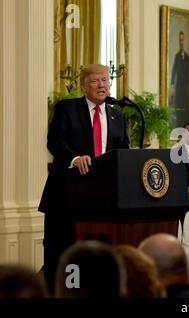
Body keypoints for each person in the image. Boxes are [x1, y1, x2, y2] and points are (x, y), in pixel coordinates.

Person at [38, 64, 129, 293]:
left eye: (105, 80)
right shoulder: (67, 109)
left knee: (96, 254)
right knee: (62, 252)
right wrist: (75, 157)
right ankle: (60, 292)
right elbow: (55, 142)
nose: (102, 85)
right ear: (83, 86)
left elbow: (124, 152)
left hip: (103, 200)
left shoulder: (118, 116)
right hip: (67, 196)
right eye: (95, 81)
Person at [170, 31, 189, 128]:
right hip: (179, 86)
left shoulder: (187, 57)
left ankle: (185, 127)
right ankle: (178, 127)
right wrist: (172, 84)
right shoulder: (177, 56)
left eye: (182, 40)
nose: (181, 42)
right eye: (180, 40)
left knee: (185, 108)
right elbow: (174, 70)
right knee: (178, 107)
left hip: (185, 87)